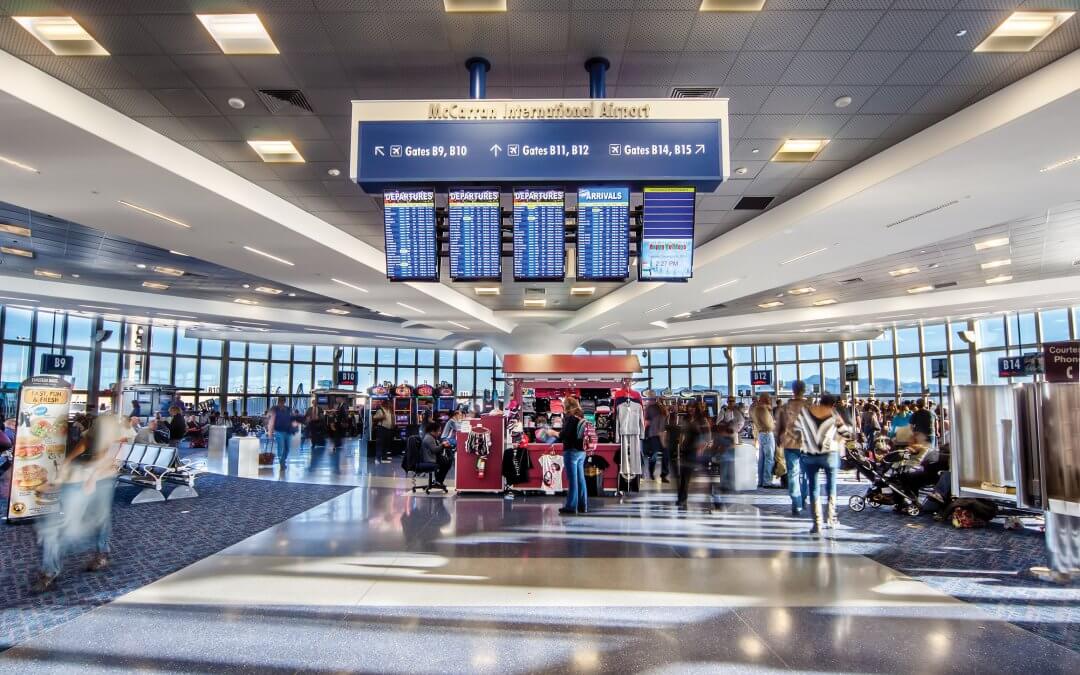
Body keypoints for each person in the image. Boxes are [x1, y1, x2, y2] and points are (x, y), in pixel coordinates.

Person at [32, 414, 121, 593]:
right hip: (80, 478)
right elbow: (79, 449)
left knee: (99, 519)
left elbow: (109, 459)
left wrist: (92, 478)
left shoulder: (116, 436)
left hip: (100, 479)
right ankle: (49, 571)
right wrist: (61, 474)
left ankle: (101, 553)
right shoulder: (91, 434)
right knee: (60, 525)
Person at [796, 393, 851, 534]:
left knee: (813, 488)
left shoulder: (805, 414)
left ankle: (817, 523)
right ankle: (831, 519)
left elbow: (796, 431)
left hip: (809, 454)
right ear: (833, 404)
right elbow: (847, 434)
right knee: (831, 486)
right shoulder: (834, 415)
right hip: (829, 454)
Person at [775, 380, 810, 515]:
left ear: (793, 391)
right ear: (804, 390)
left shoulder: (785, 407)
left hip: (790, 444)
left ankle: (796, 503)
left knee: (793, 474)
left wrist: (778, 438)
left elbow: (779, 426)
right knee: (805, 474)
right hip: (807, 444)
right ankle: (804, 497)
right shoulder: (810, 406)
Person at [675, 402, 710, 509]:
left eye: (693, 407)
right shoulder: (686, 419)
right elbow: (682, 433)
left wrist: (701, 449)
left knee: (696, 477)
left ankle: (710, 499)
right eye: (689, 407)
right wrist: (680, 445)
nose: (690, 409)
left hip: (695, 451)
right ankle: (681, 498)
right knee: (684, 476)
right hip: (685, 449)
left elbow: (707, 437)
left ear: (697, 409)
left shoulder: (702, 420)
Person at [558, 396, 588, 515]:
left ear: (567, 407)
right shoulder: (581, 416)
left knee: (573, 480)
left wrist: (553, 433)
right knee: (581, 479)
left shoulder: (570, 418)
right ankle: (583, 505)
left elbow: (564, 435)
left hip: (571, 451)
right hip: (582, 452)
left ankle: (571, 506)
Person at [751, 393, 777, 488]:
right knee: (769, 459)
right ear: (765, 399)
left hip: (761, 434)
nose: (770, 400)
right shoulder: (762, 409)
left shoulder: (755, 408)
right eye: (768, 398)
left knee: (762, 459)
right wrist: (774, 425)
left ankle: (761, 481)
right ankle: (767, 481)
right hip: (767, 433)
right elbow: (768, 425)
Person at [419, 421, 452, 489]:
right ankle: (438, 481)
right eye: (438, 431)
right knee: (447, 462)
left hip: (432, 457)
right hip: (429, 459)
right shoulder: (429, 438)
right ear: (432, 431)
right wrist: (442, 445)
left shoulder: (431, 437)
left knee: (447, 461)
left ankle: (438, 481)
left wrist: (442, 445)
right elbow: (434, 450)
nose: (440, 433)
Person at [267, 397, 295, 470]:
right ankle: (281, 463)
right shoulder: (274, 409)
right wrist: (270, 432)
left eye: (283, 401)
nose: (281, 403)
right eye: (280, 401)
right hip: (279, 431)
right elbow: (270, 419)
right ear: (278, 402)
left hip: (288, 432)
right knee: (281, 448)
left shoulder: (288, 409)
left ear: (284, 402)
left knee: (287, 448)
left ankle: (283, 460)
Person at [644, 402, 669, 482]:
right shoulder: (661, 416)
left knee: (660, 455)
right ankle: (655, 473)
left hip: (657, 436)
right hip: (655, 436)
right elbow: (661, 431)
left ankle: (658, 474)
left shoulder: (663, 416)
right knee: (656, 454)